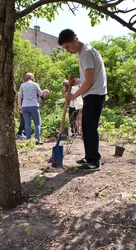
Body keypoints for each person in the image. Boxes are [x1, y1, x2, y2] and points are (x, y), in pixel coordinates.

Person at [58, 29, 107, 171]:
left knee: (90, 127)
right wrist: (76, 82)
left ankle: (94, 161)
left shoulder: (86, 53)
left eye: (68, 46)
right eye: (65, 48)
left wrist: (73, 96)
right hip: (93, 93)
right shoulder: (83, 52)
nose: (68, 50)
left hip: (94, 93)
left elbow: (89, 82)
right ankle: (89, 157)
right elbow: (86, 79)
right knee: (86, 127)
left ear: (75, 38)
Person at [18, 72, 49, 144]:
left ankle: (28, 141)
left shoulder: (22, 85)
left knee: (27, 123)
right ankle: (37, 140)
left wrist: (20, 106)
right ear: (32, 78)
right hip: (34, 105)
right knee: (37, 123)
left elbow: (19, 97)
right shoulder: (35, 85)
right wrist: (45, 90)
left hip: (25, 106)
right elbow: (41, 94)